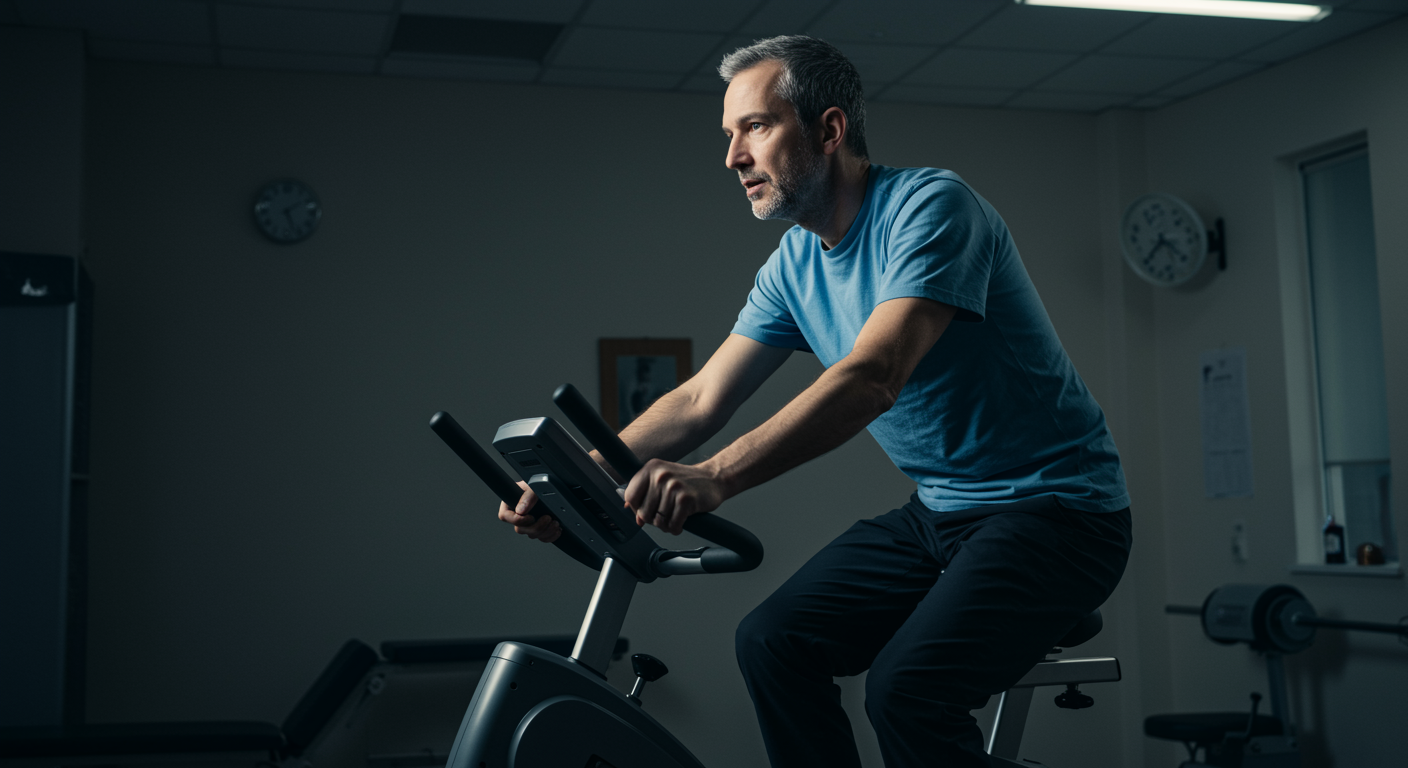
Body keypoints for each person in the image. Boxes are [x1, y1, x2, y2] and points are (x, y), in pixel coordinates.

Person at [499, 35, 1131, 768]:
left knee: (906, 692)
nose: (733, 157)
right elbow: (703, 397)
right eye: (730, 135)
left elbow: (873, 374)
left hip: (1061, 513)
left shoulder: (931, 207)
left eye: (756, 128)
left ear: (829, 131)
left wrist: (718, 476)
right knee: (773, 643)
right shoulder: (795, 263)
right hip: (942, 510)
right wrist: (577, 480)